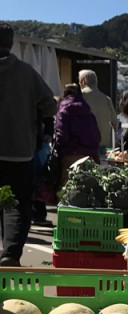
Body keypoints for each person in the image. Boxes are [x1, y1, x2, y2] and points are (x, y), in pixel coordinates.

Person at [0, 22, 57, 266]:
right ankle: (10, 254)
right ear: (11, 43)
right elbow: (50, 105)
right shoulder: (26, 72)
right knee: (16, 204)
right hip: (18, 151)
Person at [54, 84, 101, 187]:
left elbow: (61, 137)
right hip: (91, 157)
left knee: (67, 194)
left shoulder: (63, 112)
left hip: (71, 156)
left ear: (65, 95)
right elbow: (97, 136)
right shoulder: (89, 113)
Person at [78, 69, 116, 154]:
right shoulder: (107, 99)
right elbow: (115, 123)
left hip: (84, 144)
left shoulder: (80, 97)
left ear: (83, 81)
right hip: (103, 143)